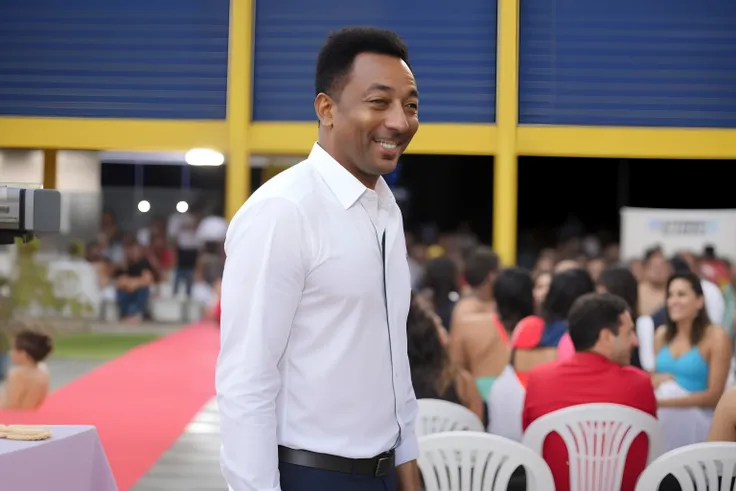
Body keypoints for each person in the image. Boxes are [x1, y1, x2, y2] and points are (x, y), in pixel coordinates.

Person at [216, 27, 421, 491]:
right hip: (311, 475)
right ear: (326, 108)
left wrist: (408, 465)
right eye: (379, 102)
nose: (400, 121)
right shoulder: (283, 211)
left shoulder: (386, 210)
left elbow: (393, 358)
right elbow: (246, 380)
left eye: (410, 105)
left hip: (386, 472)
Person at [522, 293, 657, 491]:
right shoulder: (640, 383)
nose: (635, 341)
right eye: (629, 333)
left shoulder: (538, 379)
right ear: (606, 337)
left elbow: (530, 441)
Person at [407, 293, 484, 423]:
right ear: (439, 339)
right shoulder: (463, 384)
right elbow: (477, 432)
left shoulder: (393, 390)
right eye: (440, 325)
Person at [0, 330, 52, 410]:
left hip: (15, 419)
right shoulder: (43, 373)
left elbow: (10, 404)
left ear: (23, 353)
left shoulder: (18, 374)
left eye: (13, 349)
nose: (10, 352)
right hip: (31, 417)